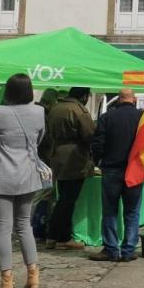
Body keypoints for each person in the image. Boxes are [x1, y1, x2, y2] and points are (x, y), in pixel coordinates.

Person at [0, 73, 46, 288]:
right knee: (24, 225)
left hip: (0, 173)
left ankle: (6, 283)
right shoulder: (39, 112)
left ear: (8, 91)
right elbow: (39, 140)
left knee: (2, 227)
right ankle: (33, 277)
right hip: (27, 173)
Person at [89, 89, 144, 261]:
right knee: (132, 211)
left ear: (118, 100)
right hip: (134, 170)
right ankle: (128, 250)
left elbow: (97, 143)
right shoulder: (142, 118)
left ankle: (111, 249)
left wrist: (98, 161)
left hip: (111, 169)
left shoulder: (107, 117)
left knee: (110, 211)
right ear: (134, 100)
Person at [42, 87, 95, 250]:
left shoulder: (56, 108)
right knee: (68, 200)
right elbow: (90, 133)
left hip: (57, 155)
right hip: (74, 158)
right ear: (84, 96)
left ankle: (53, 236)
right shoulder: (79, 110)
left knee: (63, 198)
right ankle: (61, 237)